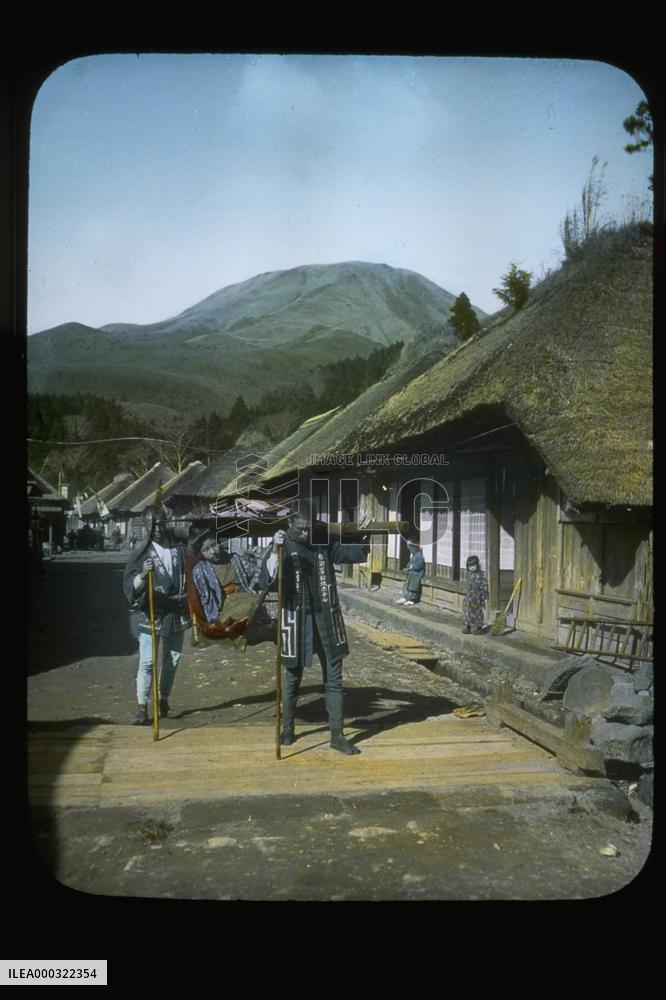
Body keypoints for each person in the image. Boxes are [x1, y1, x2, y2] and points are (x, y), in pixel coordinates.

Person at [260, 508, 370, 755]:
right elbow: (267, 579)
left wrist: (363, 536)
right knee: (291, 679)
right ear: (290, 523)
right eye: (300, 528)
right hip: (296, 618)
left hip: (326, 618)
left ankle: (337, 736)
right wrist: (275, 552)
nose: (306, 533)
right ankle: (288, 728)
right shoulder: (282, 542)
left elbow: (344, 553)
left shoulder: (321, 538)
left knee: (334, 679)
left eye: (309, 528)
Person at [122, 505, 191, 725]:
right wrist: (143, 575)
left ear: (166, 523)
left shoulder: (179, 548)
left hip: (176, 610)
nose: (157, 530)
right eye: (152, 526)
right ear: (145, 526)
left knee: (172, 659)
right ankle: (142, 706)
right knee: (148, 661)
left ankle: (163, 701)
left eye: (160, 524)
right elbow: (129, 585)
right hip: (152, 611)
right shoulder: (141, 553)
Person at [462, 554, 488, 634]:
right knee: (467, 611)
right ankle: (468, 626)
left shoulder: (480, 575)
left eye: (473, 565)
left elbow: (484, 586)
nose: (472, 567)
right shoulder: (469, 575)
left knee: (477, 612)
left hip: (477, 597)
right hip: (469, 596)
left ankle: (479, 628)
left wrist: (483, 596)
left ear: (477, 565)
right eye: (470, 566)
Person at [395, 540, 425, 607]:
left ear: (415, 548)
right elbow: (409, 563)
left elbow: (419, 566)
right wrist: (408, 566)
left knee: (413, 582)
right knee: (407, 583)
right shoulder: (414, 556)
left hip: (417, 573)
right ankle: (405, 597)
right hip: (412, 572)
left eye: (411, 548)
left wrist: (411, 567)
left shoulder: (420, 556)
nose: (410, 550)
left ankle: (412, 599)